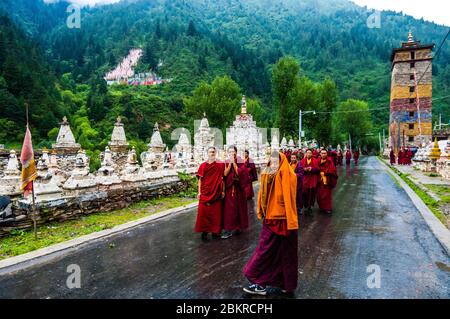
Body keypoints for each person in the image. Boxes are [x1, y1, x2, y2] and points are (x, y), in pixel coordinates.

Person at [243, 151, 298, 296]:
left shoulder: (287, 174)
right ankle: (280, 283)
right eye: (271, 161)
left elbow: (287, 196)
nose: (273, 164)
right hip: (273, 217)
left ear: (281, 162)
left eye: (276, 162)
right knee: (275, 251)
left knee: (268, 251)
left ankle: (266, 283)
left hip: (282, 219)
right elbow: (263, 194)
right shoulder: (269, 175)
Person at [195, 147, 225, 241]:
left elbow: (222, 179)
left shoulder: (220, 165)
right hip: (205, 192)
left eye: (213, 152)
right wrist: (199, 192)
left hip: (216, 192)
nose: (212, 153)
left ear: (215, 153)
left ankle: (215, 232)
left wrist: (223, 190)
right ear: (207, 153)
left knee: (216, 213)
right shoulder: (203, 166)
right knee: (204, 214)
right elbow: (200, 180)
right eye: (210, 152)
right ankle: (204, 231)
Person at [222, 146, 250, 239]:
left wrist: (234, 162)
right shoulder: (226, 162)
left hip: (239, 189)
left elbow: (240, 173)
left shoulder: (240, 161)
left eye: (233, 151)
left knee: (239, 208)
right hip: (229, 189)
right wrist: (230, 164)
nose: (231, 153)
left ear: (236, 152)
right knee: (229, 210)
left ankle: (238, 226)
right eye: (229, 151)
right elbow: (225, 174)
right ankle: (228, 229)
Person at [317, 149, 338, 214]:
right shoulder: (318, 160)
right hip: (320, 180)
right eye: (322, 153)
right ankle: (322, 207)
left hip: (327, 180)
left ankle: (327, 208)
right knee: (319, 195)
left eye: (324, 153)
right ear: (320, 154)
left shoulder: (329, 161)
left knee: (326, 195)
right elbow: (316, 168)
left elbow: (333, 170)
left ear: (327, 154)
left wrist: (326, 172)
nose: (323, 154)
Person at [300, 149, 319, 214]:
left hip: (312, 178)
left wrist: (312, 169)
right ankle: (305, 205)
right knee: (304, 192)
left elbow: (317, 169)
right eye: (308, 153)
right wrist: (304, 169)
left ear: (312, 154)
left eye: (310, 153)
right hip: (305, 179)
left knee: (311, 192)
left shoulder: (315, 161)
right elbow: (300, 169)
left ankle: (310, 206)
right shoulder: (302, 161)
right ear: (306, 154)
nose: (309, 154)